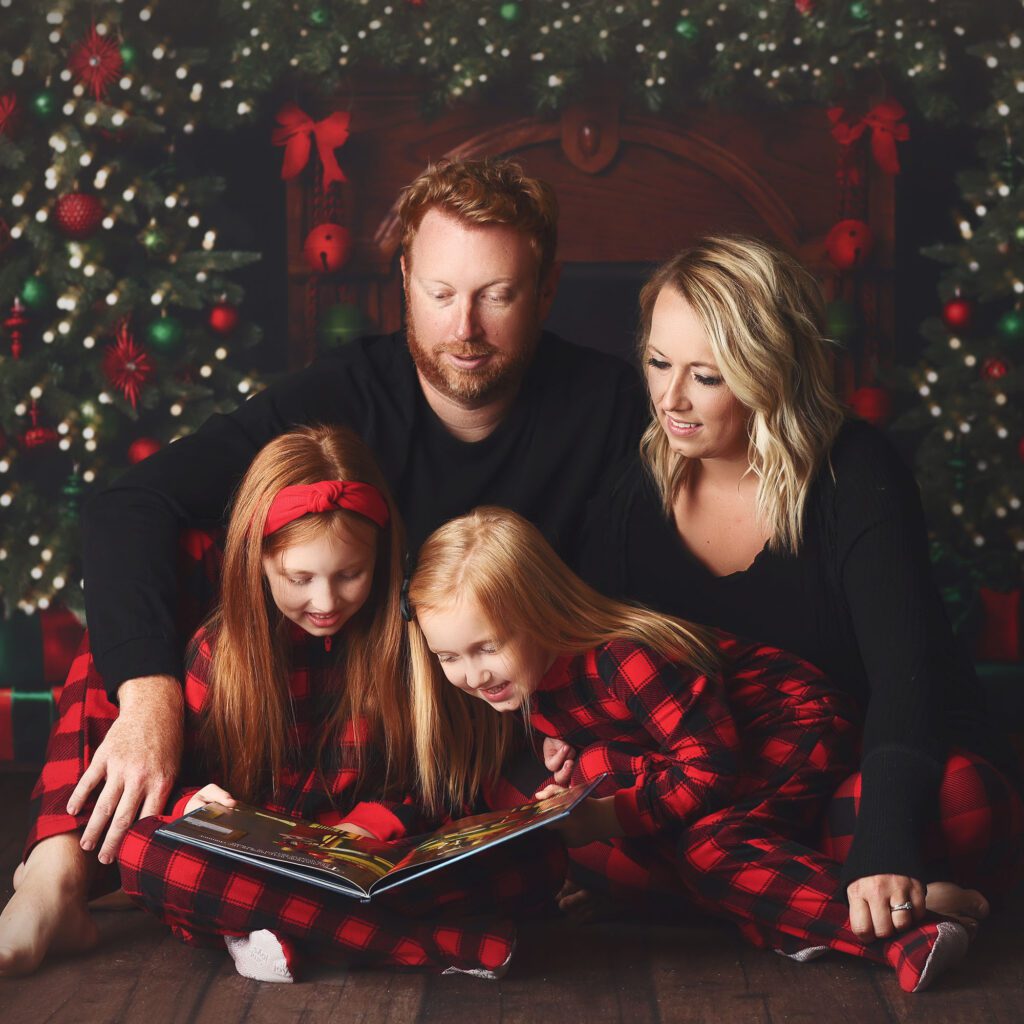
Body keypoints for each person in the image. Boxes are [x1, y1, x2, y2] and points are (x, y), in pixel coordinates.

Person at [0, 157, 643, 974]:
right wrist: (150, 701)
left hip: (471, 734)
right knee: (171, 570)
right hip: (321, 716)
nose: (465, 328)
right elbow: (127, 507)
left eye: (498, 295)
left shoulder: (611, 407)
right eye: (441, 293)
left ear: (545, 291)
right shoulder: (340, 397)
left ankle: (316, 905)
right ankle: (57, 872)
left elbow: (646, 603)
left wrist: (580, 750)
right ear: (405, 280)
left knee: (529, 850)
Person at [579, 235, 1024, 944]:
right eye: (659, 363)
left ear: (768, 373)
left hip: (863, 762)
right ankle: (858, 899)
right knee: (582, 826)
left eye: (707, 376)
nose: (671, 398)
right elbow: (610, 659)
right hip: (736, 778)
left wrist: (885, 846)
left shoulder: (856, 473)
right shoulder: (637, 487)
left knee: (964, 804)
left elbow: (907, 685)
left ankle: (779, 889)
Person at [13, 426, 565, 980]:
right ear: (259, 562)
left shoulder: (411, 645)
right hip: (261, 865)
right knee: (145, 854)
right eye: (299, 578)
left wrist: (368, 829)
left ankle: (287, 934)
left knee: (536, 860)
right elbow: (185, 789)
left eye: (350, 574)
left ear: (382, 556)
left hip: (376, 854)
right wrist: (195, 807)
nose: (325, 601)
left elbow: (439, 787)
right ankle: (421, 945)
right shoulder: (218, 655)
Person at [403, 506, 980, 993]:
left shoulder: (624, 658)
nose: (472, 676)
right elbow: (625, 745)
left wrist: (607, 813)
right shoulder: (535, 685)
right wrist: (577, 772)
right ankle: (856, 911)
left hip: (792, 721)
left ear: (540, 612)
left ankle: (914, 932)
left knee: (708, 849)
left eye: (485, 648)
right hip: (710, 752)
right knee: (605, 782)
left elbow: (709, 768)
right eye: (448, 657)